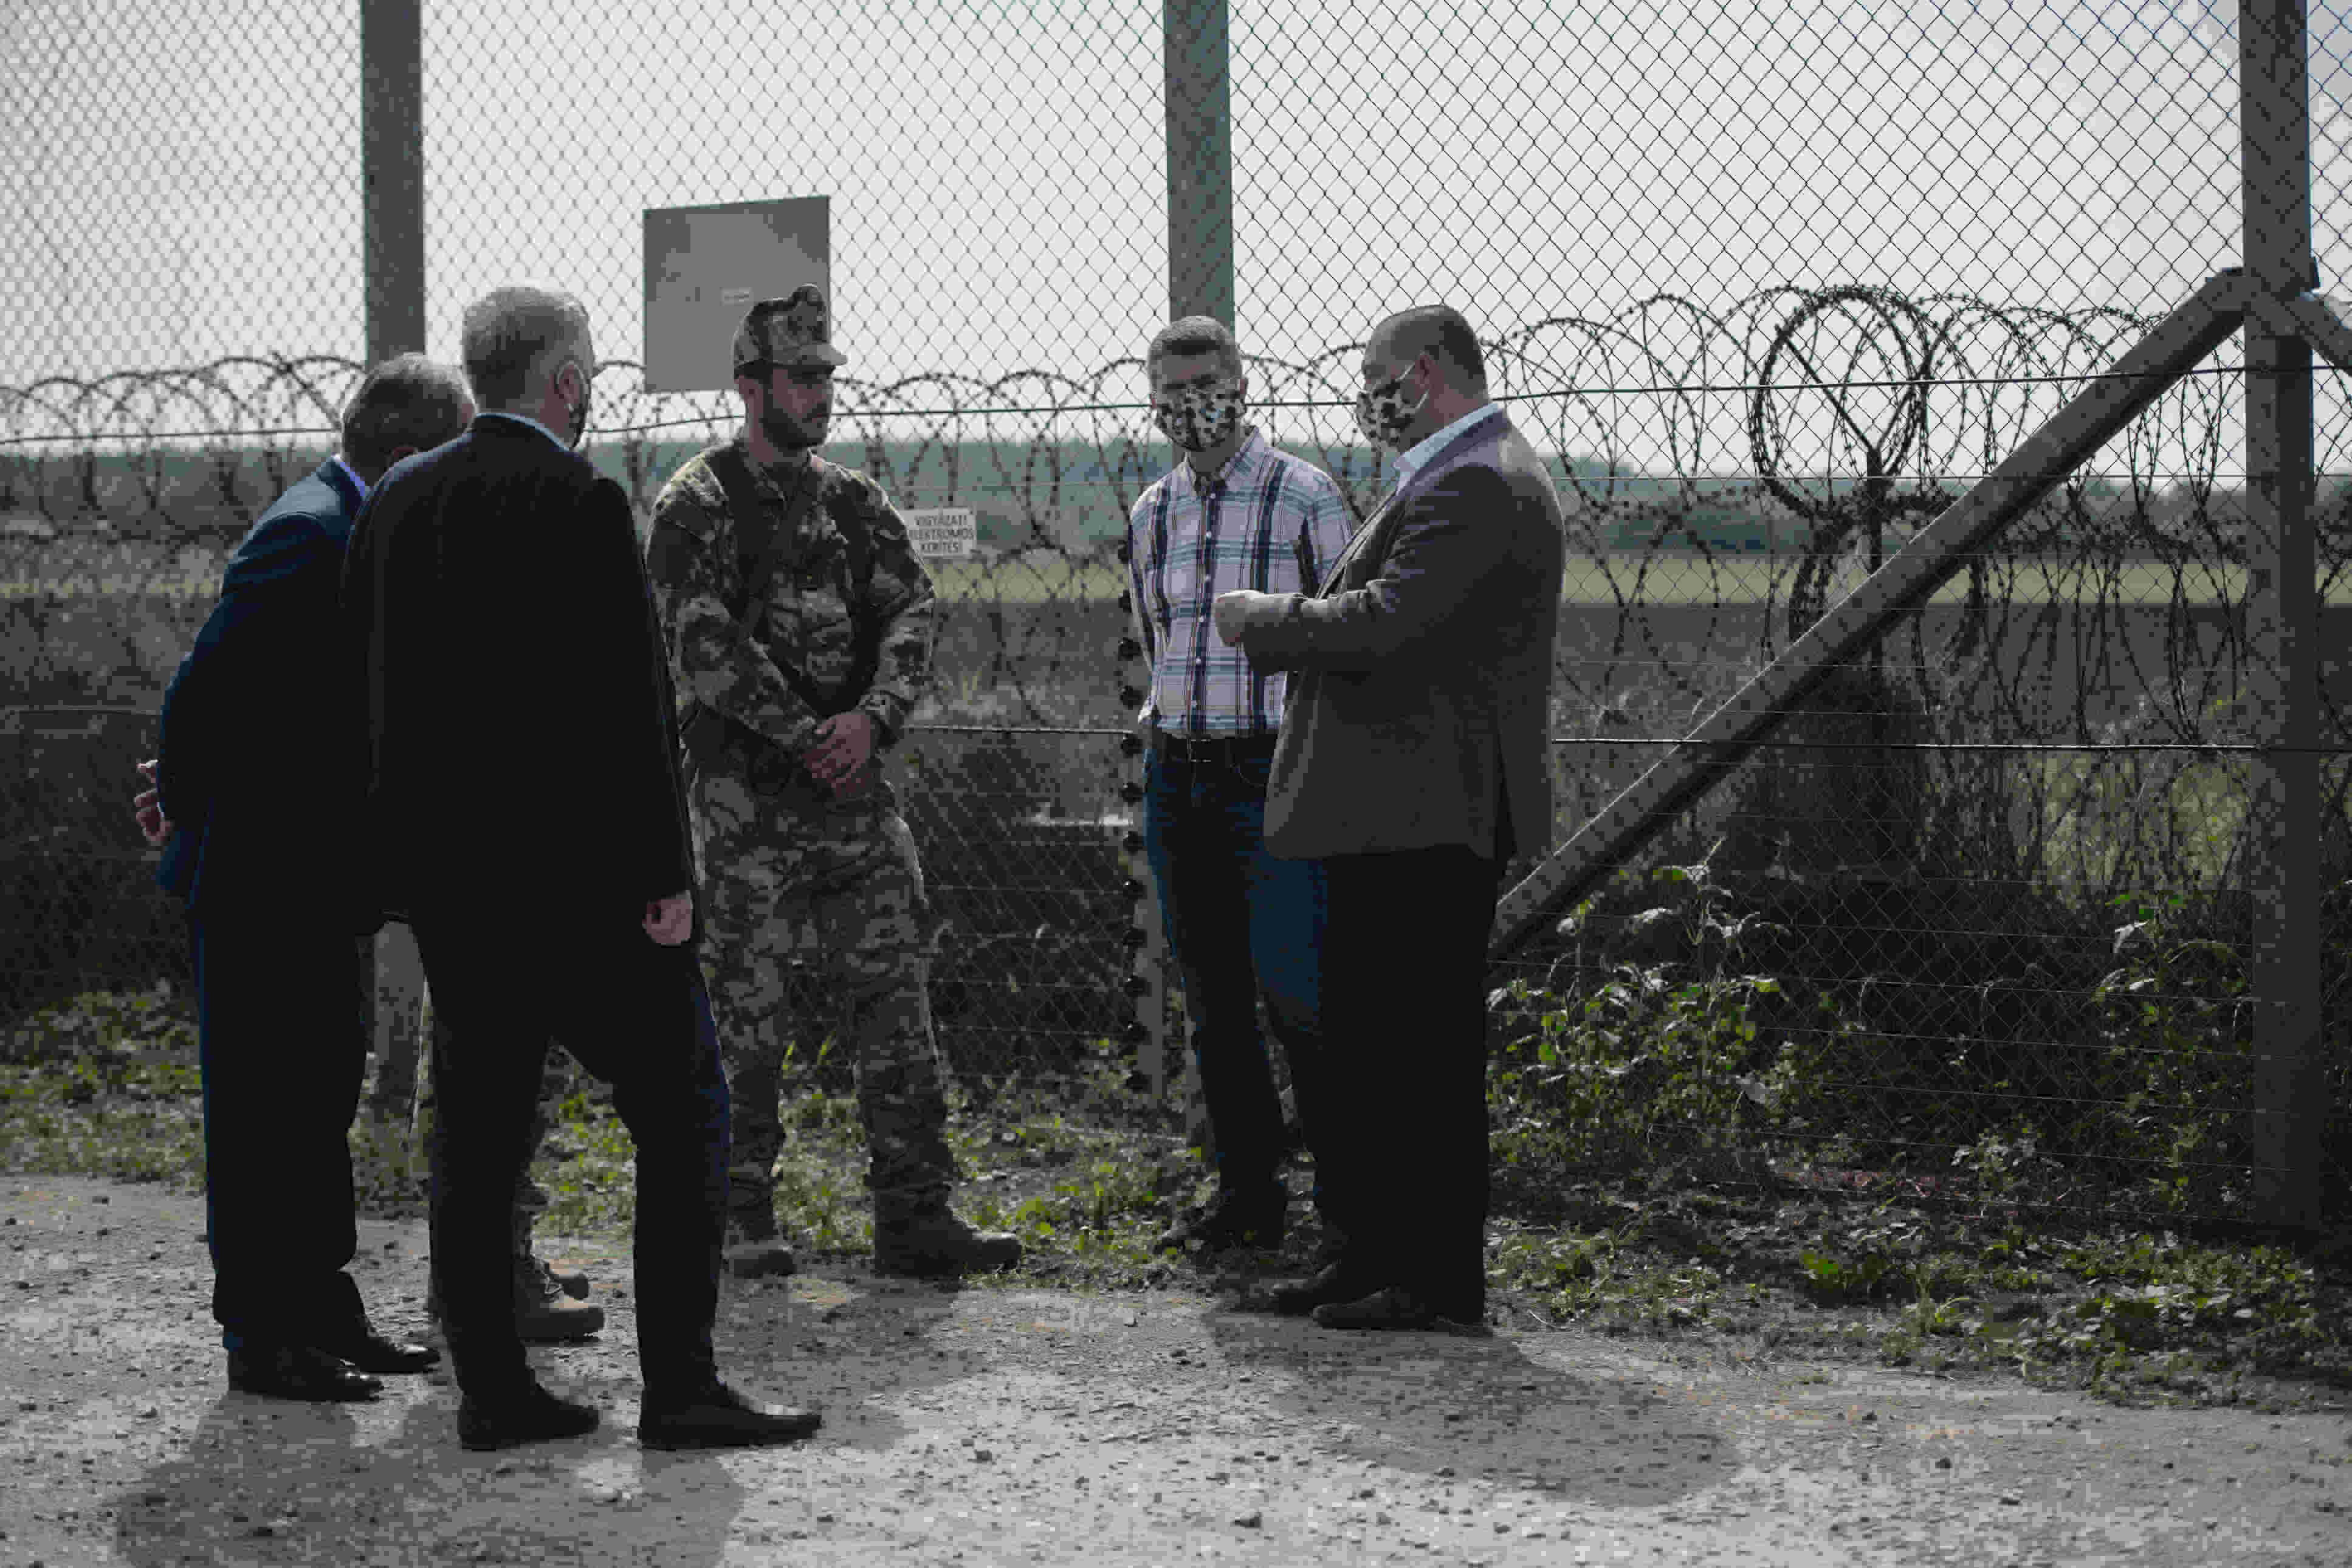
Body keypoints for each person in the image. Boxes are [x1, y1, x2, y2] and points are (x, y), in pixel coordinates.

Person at [340, 284, 819, 1450]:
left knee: (480, 1134)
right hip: (580, 889)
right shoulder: (580, 498)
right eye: (591, 371)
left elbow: (360, 690)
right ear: (563, 382)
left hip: (456, 889)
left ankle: (493, 1394)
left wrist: (387, 862)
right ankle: (681, 1387)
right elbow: (626, 706)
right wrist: (666, 877)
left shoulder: (398, 498)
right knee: (686, 1111)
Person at [644, 287, 1020, 1281]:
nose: (820, 394)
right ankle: (740, 1214)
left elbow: (912, 611)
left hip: (852, 798)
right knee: (746, 1016)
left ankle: (915, 1212)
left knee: (896, 1001)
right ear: (750, 386)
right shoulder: (697, 505)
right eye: (802, 378)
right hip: (745, 804)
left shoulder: (854, 503)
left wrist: (872, 719)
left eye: (826, 378)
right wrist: (808, 733)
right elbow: (702, 646)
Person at [1214, 304, 1564, 1332]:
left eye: (1376, 379)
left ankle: (1433, 1276)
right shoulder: (1461, 471)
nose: (1367, 399)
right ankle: (1369, 1255)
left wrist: (1269, 618)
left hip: (1422, 806)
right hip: (1400, 806)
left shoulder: (1475, 480)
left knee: (1416, 1056)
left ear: (1424, 374)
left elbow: (1390, 622)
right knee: (1371, 1045)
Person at [133, 353, 470, 1401]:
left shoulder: (355, 524)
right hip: (259, 876)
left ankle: (323, 1306)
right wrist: (180, 797)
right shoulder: (309, 531)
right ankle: (263, 1334)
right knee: (262, 1109)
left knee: (320, 1092)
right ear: (407, 454)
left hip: (314, 873)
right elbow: (206, 687)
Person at [1124, 315, 1353, 1253]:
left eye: (1206, 384)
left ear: (1241, 385)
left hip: (1274, 766)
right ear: (1153, 401)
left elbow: (1344, 634)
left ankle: (1349, 1211)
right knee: (1212, 999)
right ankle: (1246, 1195)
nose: (1192, 405)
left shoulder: (1303, 495)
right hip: (1179, 767)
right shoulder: (1151, 512)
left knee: (1302, 993)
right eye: (1173, 390)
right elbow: (1155, 640)